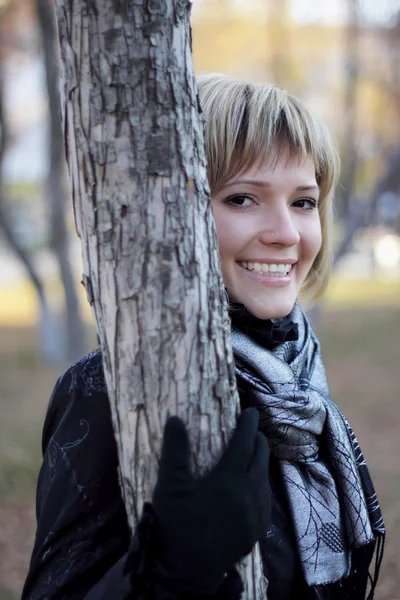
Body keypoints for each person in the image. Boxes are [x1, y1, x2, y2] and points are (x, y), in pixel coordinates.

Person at [22, 74, 385, 600]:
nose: (285, 232)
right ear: (175, 214)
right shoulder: (108, 388)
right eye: (242, 199)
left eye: (303, 202)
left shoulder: (296, 381)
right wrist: (173, 565)